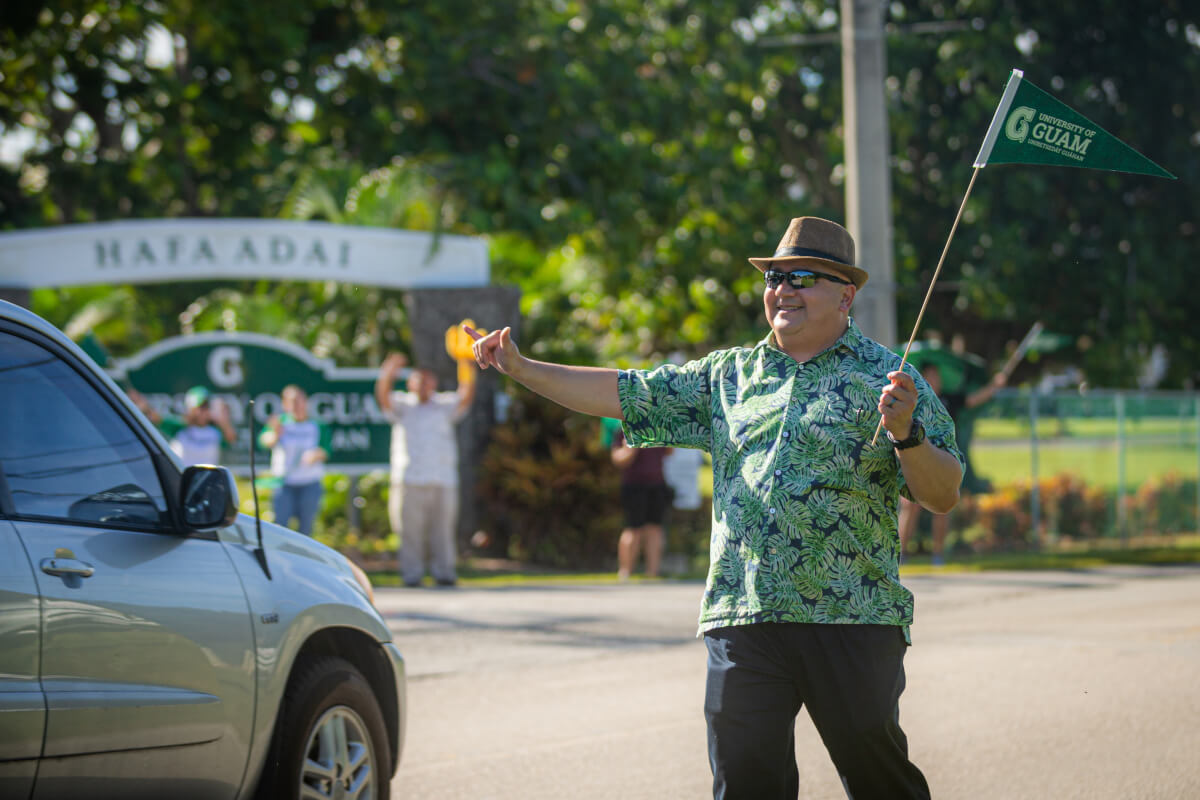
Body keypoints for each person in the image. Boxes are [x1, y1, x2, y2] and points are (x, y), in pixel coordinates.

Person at [467, 216, 964, 799]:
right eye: (775, 278)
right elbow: (621, 392)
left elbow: (942, 492)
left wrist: (905, 433)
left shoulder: (888, 378)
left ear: (844, 294)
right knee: (745, 786)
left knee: (881, 783)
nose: (784, 290)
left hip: (851, 616)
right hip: (744, 618)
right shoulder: (728, 376)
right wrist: (522, 369)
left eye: (802, 278)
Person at [375, 353, 477, 587]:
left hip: (443, 479)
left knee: (443, 531)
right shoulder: (403, 404)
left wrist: (466, 365)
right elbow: (383, 398)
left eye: (427, 380)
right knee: (409, 532)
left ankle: (444, 573)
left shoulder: (444, 404)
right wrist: (387, 373)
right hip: (409, 478)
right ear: (411, 383)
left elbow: (466, 396)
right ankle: (412, 575)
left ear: (434, 383)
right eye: (418, 380)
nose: (423, 385)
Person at [898, 362, 1006, 565]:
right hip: (914, 464)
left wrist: (994, 386)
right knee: (909, 508)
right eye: (928, 375)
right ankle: (900, 553)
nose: (933, 380)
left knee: (941, 509)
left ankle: (938, 554)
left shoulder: (948, 400)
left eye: (935, 376)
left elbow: (973, 400)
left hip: (940, 463)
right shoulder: (911, 400)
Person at [257, 385, 330, 536]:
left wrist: (316, 455)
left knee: (306, 529)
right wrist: (275, 434)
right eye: (292, 402)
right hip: (284, 483)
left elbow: (326, 450)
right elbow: (264, 442)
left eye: (299, 401)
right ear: (285, 404)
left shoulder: (317, 425)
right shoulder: (280, 423)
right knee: (280, 527)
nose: (296, 406)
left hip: (309, 482)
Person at [611, 427, 671, 580]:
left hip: (657, 484)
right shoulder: (624, 430)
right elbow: (617, 458)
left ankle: (652, 572)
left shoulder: (658, 428)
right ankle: (625, 572)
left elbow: (669, 452)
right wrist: (630, 448)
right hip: (634, 485)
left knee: (655, 528)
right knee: (633, 528)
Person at [132, 385, 237, 467]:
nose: (203, 411)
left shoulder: (215, 431)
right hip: (182, 478)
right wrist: (143, 405)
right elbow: (155, 417)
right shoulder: (180, 427)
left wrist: (223, 419)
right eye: (201, 407)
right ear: (191, 408)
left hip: (206, 480)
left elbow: (231, 439)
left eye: (207, 406)